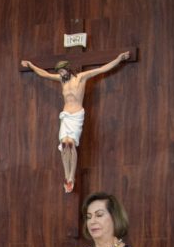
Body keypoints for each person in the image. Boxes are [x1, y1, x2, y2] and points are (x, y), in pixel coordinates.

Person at [21, 51, 130, 193]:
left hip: (77, 115)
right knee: (64, 144)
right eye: (59, 72)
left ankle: (72, 176)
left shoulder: (81, 77)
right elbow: (45, 74)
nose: (61, 74)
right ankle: (66, 176)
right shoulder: (62, 80)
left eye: (62, 71)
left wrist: (118, 58)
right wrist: (31, 65)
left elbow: (102, 69)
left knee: (71, 144)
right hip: (66, 115)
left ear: (68, 69)